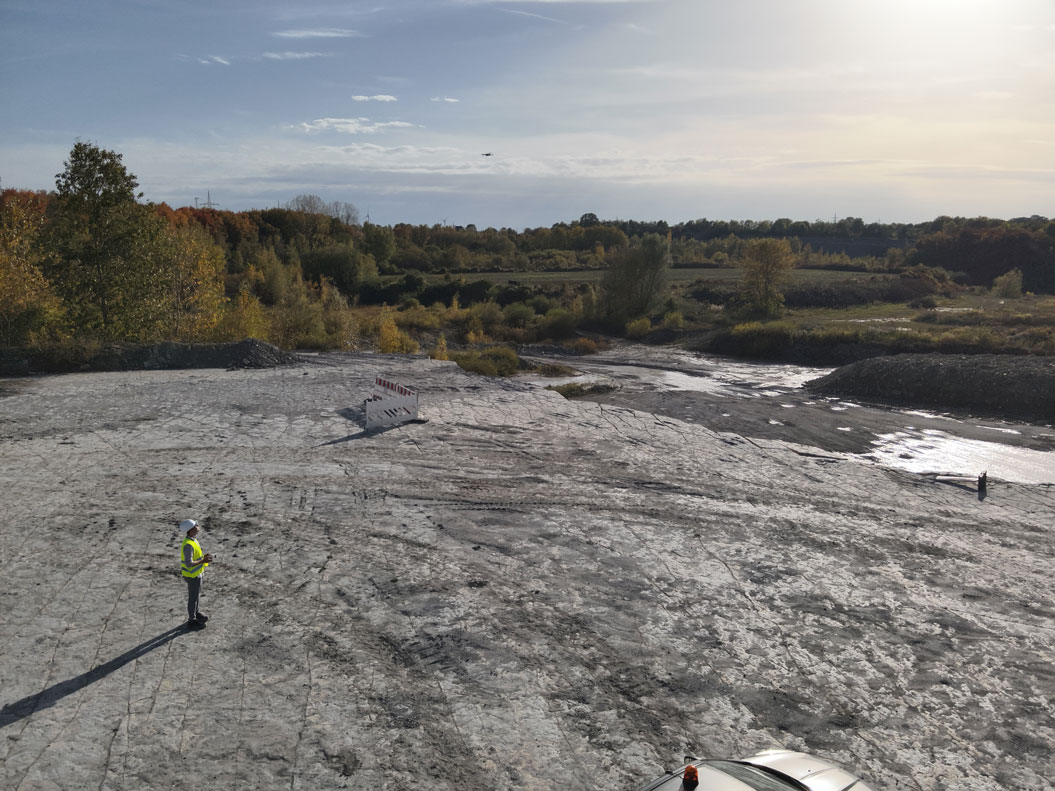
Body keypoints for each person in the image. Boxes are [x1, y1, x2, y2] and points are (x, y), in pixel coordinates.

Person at [179, 519, 213, 630]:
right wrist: (203, 561)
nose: (198, 526)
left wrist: (203, 558)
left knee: (196, 596)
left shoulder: (192, 540)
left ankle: (196, 613)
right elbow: (189, 563)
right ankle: (191, 620)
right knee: (193, 598)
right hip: (192, 576)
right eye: (196, 525)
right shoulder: (188, 545)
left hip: (196, 574)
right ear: (191, 529)